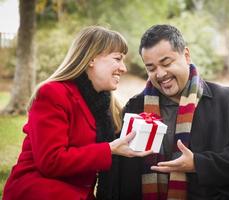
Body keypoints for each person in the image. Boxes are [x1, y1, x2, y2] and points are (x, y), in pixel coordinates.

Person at [116, 24, 229, 200]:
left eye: (166, 63)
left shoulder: (226, 99)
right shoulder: (135, 108)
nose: (160, 73)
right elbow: (120, 170)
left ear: (186, 55)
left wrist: (198, 163)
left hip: (223, 194)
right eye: (151, 68)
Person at [2, 26, 152, 200]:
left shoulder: (107, 105)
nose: (124, 68)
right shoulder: (53, 93)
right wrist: (109, 149)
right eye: (117, 59)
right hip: (40, 192)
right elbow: (51, 161)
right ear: (91, 59)